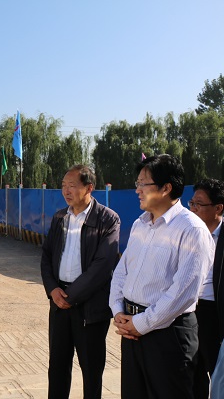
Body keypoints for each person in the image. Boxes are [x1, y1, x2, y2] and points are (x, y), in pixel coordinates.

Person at [109, 154, 214, 399]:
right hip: (132, 331)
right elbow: (122, 272)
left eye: (143, 184)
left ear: (166, 188)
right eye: (137, 183)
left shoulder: (191, 229)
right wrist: (118, 310)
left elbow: (183, 293)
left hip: (168, 335)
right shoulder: (140, 224)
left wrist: (141, 324)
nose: (137, 190)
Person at [40, 164, 121, 399]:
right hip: (59, 302)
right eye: (64, 186)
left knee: (91, 370)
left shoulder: (108, 219)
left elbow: (103, 265)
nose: (66, 191)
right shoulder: (60, 217)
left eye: (72, 186)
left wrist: (71, 297)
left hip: (90, 307)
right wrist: (53, 290)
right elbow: (46, 256)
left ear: (89, 188)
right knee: (57, 367)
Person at [189, 178, 224, 398]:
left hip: (215, 314)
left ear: (218, 208)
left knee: (217, 372)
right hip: (189, 311)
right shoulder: (189, 232)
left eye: (199, 204)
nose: (192, 208)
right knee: (193, 374)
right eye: (191, 203)